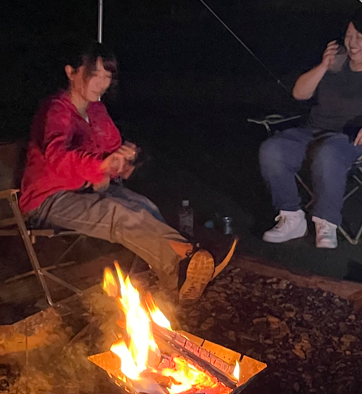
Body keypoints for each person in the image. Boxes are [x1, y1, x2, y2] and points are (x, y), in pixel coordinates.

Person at [19, 41, 236, 302]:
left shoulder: (96, 109)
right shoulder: (55, 110)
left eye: (107, 76)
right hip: (50, 199)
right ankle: (182, 267)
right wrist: (100, 166)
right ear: (71, 72)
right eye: (94, 74)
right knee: (119, 214)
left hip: (90, 188)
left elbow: (113, 147)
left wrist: (128, 156)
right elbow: (58, 156)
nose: (101, 83)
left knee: (143, 206)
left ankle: (187, 261)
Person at [259, 9, 362, 248]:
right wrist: (323, 65)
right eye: (349, 35)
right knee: (273, 149)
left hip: (357, 141)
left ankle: (326, 222)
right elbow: (299, 94)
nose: (353, 44)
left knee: (329, 151)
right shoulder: (336, 62)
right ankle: (291, 217)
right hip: (315, 133)